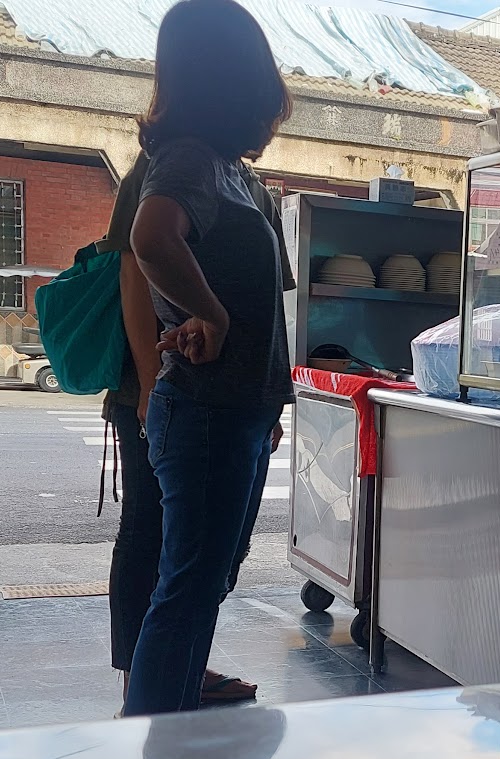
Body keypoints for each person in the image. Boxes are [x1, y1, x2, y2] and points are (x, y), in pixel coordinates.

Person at [122, 0, 294, 716]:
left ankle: (171, 731)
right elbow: (149, 240)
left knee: (203, 585)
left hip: (235, 411)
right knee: (188, 589)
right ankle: (155, 743)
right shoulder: (190, 157)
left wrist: (267, 403)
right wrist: (211, 317)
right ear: (233, 79)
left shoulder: (223, 170)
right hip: (204, 410)